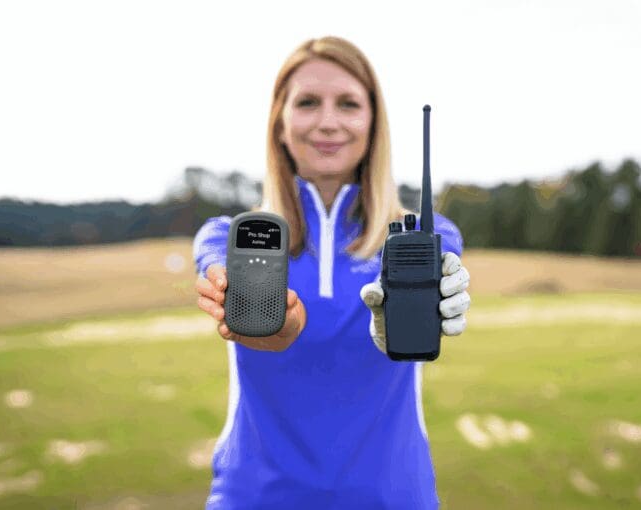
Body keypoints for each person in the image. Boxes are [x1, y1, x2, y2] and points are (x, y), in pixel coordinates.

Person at [193, 35, 471, 509]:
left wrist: (431, 305)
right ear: (279, 123)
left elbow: (436, 289)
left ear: (373, 124)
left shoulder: (428, 234)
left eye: (348, 103)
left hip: (392, 497)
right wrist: (276, 326)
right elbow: (236, 294)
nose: (328, 122)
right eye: (307, 103)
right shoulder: (229, 237)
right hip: (256, 498)